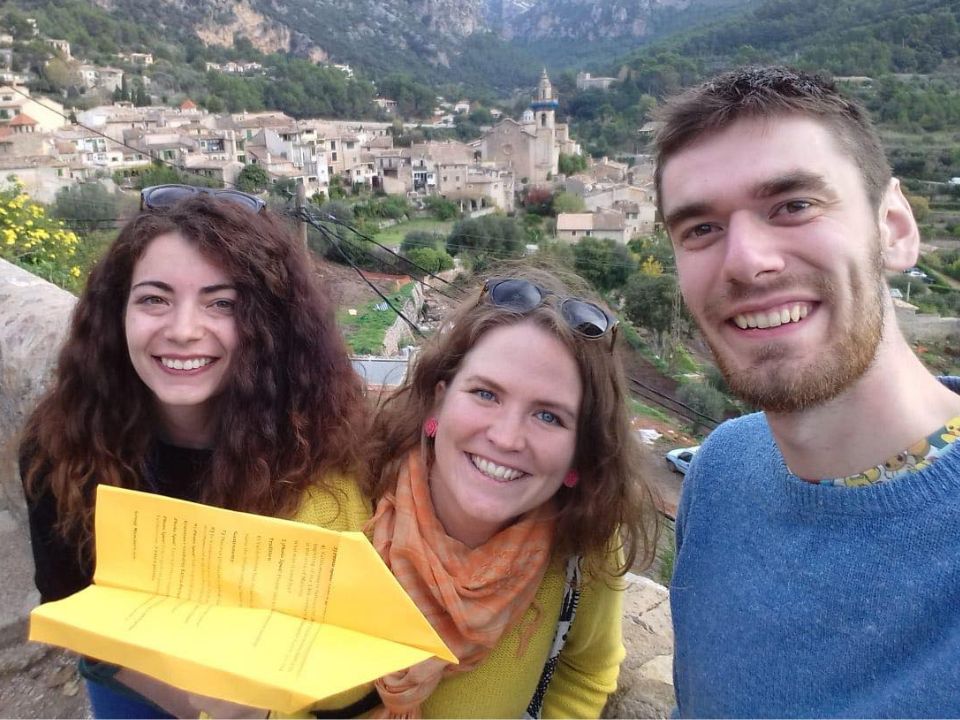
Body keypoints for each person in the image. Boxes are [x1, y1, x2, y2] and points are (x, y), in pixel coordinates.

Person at [654, 65, 960, 717]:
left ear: (896, 228)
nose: (745, 260)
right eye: (701, 228)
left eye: (793, 205)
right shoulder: (720, 473)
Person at [20, 185, 366, 718]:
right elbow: (69, 599)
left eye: (221, 303)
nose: (183, 331)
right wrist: (195, 704)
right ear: (117, 312)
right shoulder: (63, 443)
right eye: (154, 299)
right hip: (129, 680)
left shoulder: (318, 446)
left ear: (269, 326)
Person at [294, 269, 658, 718]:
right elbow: (254, 682)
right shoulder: (331, 513)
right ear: (438, 402)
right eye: (486, 394)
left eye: (548, 417)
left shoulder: (583, 547)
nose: (506, 438)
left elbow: (586, 670)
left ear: (579, 454)